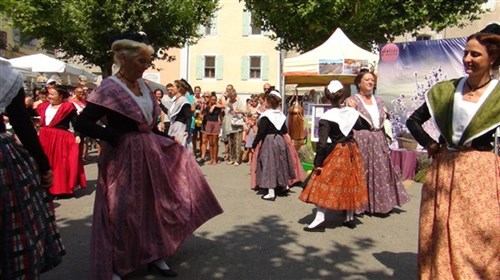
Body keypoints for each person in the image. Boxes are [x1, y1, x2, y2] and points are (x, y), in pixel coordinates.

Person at [74, 36, 223, 280]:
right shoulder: (110, 88)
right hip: (122, 158)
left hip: (149, 156)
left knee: (154, 206)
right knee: (121, 210)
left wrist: (164, 138)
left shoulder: (143, 86)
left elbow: (147, 124)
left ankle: (155, 254)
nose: (146, 66)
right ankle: (116, 264)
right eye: (141, 61)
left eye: (147, 61)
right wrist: (115, 136)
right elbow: (83, 122)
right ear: (123, 59)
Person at [406, 32, 500, 279]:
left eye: (475, 54)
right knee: (439, 230)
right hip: (445, 170)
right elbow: (413, 120)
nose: (467, 58)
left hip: (481, 172)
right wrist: (430, 144)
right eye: (465, 53)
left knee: (480, 232)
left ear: (492, 58)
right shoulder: (447, 91)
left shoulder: (497, 95)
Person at [0, 59, 65, 279]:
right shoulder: (4, 73)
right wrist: (42, 164)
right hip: (3, 162)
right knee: (14, 226)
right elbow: (21, 122)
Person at [299, 81, 370, 231]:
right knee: (350, 180)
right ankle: (349, 217)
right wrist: (354, 109)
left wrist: (317, 163)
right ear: (342, 95)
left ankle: (320, 218)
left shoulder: (327, 117)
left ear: (327, 97)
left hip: (337, 152)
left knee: (325, 181)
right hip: (352, 150)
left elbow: (322, 144)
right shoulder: (351, 113)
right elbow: (366, 125)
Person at [348, 71, 409, 215]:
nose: (370, 82)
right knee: (362, 172)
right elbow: (348, 122)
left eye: (372, 80)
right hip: (361, 140)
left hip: (378, 140)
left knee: (380, 171)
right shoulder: (352, 100)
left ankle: (380, 204)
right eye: (367, 80)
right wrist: (351, 110)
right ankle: (360, 205)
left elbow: (383, 118)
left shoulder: (379, 101)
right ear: (359, 83)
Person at [37, 87, 86, 196]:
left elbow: (76, 122)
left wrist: (78, 135)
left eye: (52, 94)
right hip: (45, 137)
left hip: (60, 138)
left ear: (61, 97)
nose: (49, 96)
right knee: (46, 162)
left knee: (59, 164)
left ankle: (59, 189)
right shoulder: (44, 106)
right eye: (49, 94)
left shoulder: (68, 107)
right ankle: (45, 187)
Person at [252, 90, 296, 201]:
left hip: (269, 140)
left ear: (269, 102)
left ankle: (271, 192)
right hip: (280, 139)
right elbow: (284, 130)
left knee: (269, 163)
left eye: (266, 100)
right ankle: (284, 185)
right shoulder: (280, 115)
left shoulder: (266, 116)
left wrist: (254, 144)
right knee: (281, 162)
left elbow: (261, 133)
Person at [168, 80, 194, 152]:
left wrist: (187, 130)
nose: (171, 88)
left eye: (173, 86)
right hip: (173, 127)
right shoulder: (175, 101)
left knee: (180, 150)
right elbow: (171, 114)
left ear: (178, 88)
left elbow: (188, 117)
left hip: (180, 128)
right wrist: (160, 104)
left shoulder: (184, 101)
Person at [203, 94, 224, 165]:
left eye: (215, 100)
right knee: (210, 142)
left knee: (215, 142)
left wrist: (221, 122)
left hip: (216, 123)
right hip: (208, 123)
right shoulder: (207, 107)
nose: (213, 101)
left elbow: (221, 113)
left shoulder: (218, 107)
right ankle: (211, 159)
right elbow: (203, 114)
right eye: (212, 100)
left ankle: (215, 159)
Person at [226, 88, 245, 165]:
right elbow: (226, 112)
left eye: (233, 96)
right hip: (230, 124)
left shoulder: (239, 102)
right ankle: (231, 158)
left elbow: (244, 111)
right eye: (230, 96)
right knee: (230, 142)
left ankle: (237, 159)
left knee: (237, 142)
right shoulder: (228, 103)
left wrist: (237, 111)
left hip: (237, 125)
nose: (231, 98)